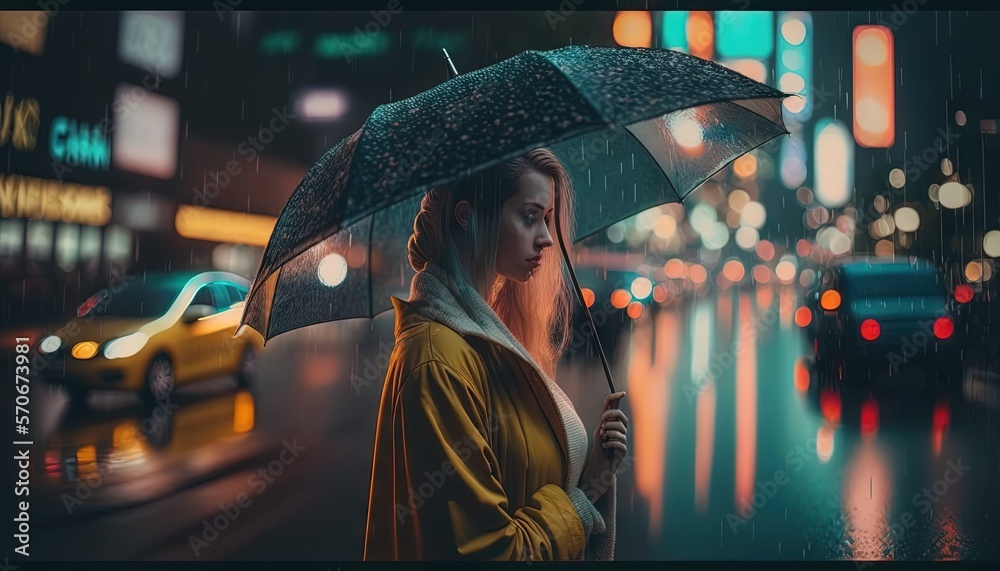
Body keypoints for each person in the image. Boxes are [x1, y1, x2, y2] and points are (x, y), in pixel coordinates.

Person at [363, 148, 630, 561]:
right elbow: (490, 554)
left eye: (547, 218)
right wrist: (580, 500)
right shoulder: (438, 363)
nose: (545, 236)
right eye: (529, 216)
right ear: (468, 215)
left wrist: (593, 476)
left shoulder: (485, 344)